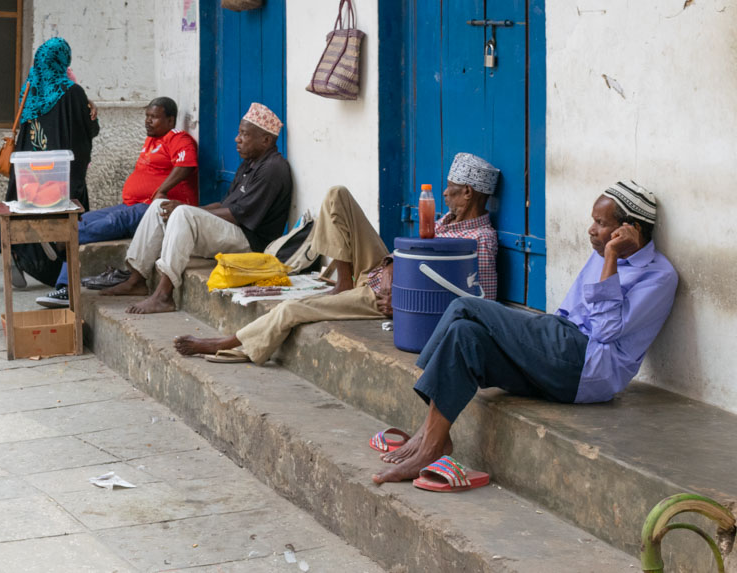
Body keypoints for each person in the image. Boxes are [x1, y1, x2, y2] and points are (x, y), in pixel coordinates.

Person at [372, 181, 677, 489]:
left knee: (466, 306)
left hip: (587, 363)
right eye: (593, 221)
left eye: (601, 224)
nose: (591, 230)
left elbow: (604, 332)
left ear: (630, 229)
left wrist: (611, 256)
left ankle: (427, 440)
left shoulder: (658, 276)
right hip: (560, 358)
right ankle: (435, 441)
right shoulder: (600, 252)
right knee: (466, 335)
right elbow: (565, 315)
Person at [174, 153, 500, 363]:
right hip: (382, 272)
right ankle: (343, 280)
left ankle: (230, 342)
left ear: (468, 193)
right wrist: (389, 265)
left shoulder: (480, 240)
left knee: (292, 308)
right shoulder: (445, 221)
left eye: (451, 188)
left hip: (383, 296)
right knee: (337, 195)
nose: (443, 194)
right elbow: (412, 252)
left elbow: (477, 302)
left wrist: (402, 300)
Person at [104, 103, 292, 315]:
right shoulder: (250, 163)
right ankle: (136, 279)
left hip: (251, 243)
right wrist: (189, 209)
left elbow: (237, 215)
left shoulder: (273, 168)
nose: (237, 139)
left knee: (183, 213)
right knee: (159, 206)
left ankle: (164, 295)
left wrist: (187, 211)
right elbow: (225, 205)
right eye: (239, 133)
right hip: (233, 231)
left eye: (244, 134)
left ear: (266, 140)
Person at [38, 97, 198, 308]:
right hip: (133, 205)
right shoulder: (152, 140)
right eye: (147, 116)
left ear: (170, 120)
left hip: (155, 209)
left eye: (154, 117)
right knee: (85, 218)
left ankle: (61, 239)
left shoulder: (178, 138)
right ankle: (65, 285)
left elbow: (186, 165)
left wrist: (162, 190)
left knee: (115, 221)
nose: (148, 121)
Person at [0, 38, 101, 287]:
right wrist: (91, 109)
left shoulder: (30, 88)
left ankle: (17, 252)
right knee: (68, 222)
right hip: (59, 172)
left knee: (27, 212)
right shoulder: (72, 92)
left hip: (29, 172)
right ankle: (65, 276)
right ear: (62, 59)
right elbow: (87, 131)